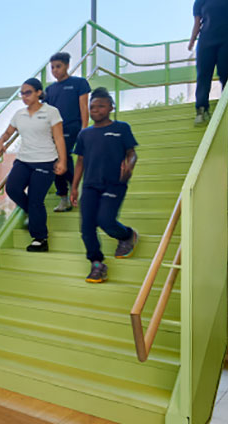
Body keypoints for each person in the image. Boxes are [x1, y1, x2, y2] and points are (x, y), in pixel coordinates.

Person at [70, 88, 141, 283]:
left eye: (101, 106)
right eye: (92, 107)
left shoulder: (121, 128)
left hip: (114, 184)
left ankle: (127, 235)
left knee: (106, 220)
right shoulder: (85, 134)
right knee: (86, 228)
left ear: (111, 107)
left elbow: (131, 153)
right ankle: (97, 263)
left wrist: (130, 166)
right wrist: (74, 187)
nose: (95, 110)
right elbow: (80, 162)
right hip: (90, 186)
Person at [0, 78, 68, 253]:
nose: (24, 96)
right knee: (12, 188)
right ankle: (33, 214)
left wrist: (62, 160)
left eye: (28, 92)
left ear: (38, 93)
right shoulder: (19, 114)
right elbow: (8, 132)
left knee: (35, 200)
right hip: (24, 160)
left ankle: (40, 238)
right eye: (22, 93)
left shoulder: (51, 112)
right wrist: (0, 141)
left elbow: (58, 138)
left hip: (45, 160)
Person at [45, 52, 91, 213]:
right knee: (55, 160)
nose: (55, 70)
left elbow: (84, 106)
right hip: (55, 130)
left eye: (58, 66)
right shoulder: (49, 90)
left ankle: (72, 188)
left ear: (67, 66)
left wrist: (84, 128)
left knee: (63, 157)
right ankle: (65, 194)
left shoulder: (79, 83)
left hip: (73, 128)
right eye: (52, 68)